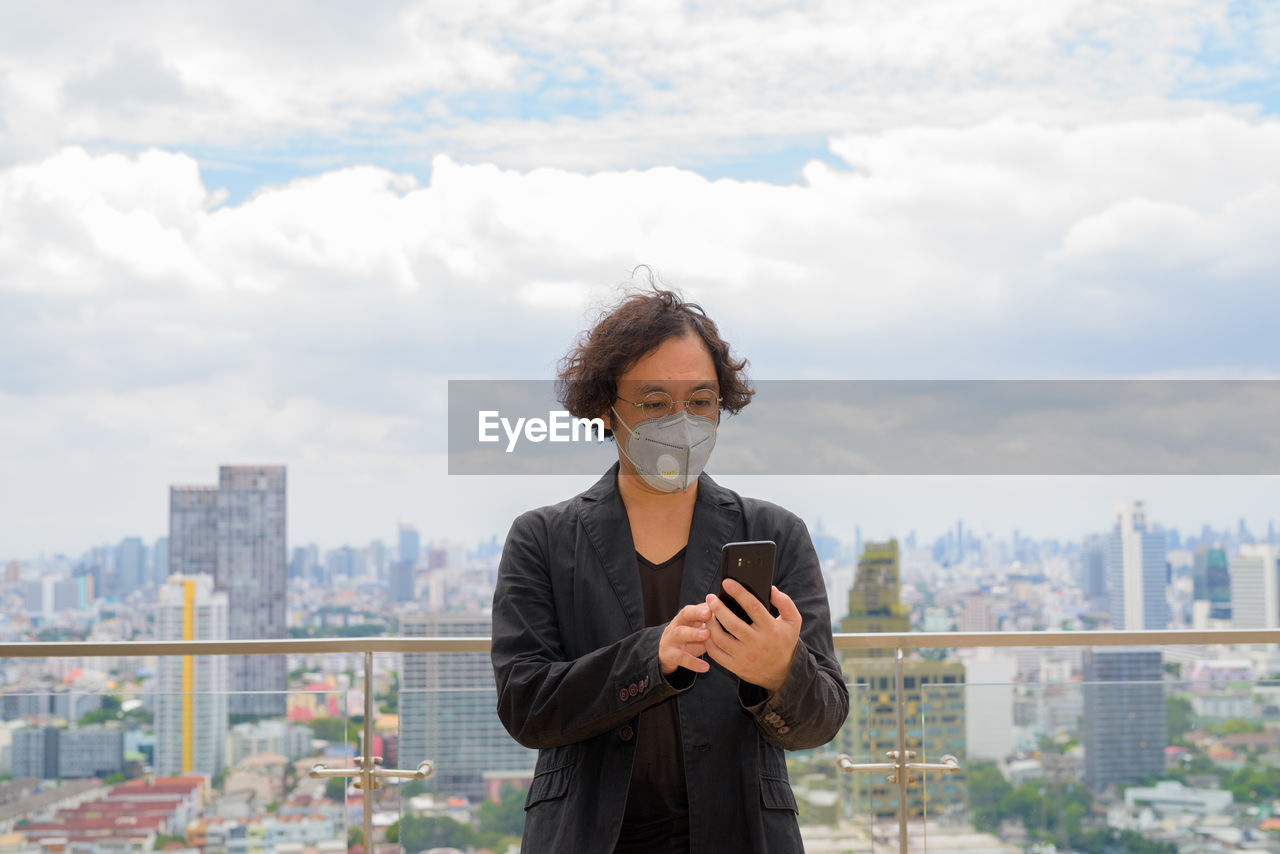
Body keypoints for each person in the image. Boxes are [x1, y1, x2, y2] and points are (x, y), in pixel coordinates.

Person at [491, 285, 849, 853]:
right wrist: (650, 659)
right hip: (587, 836)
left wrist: (781, 671)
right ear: (607, 409)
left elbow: (822, 719)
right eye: (654, 402)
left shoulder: (776, 535)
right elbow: (525, 705)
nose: (680, 422)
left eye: (701, 401)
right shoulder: (543, 539)